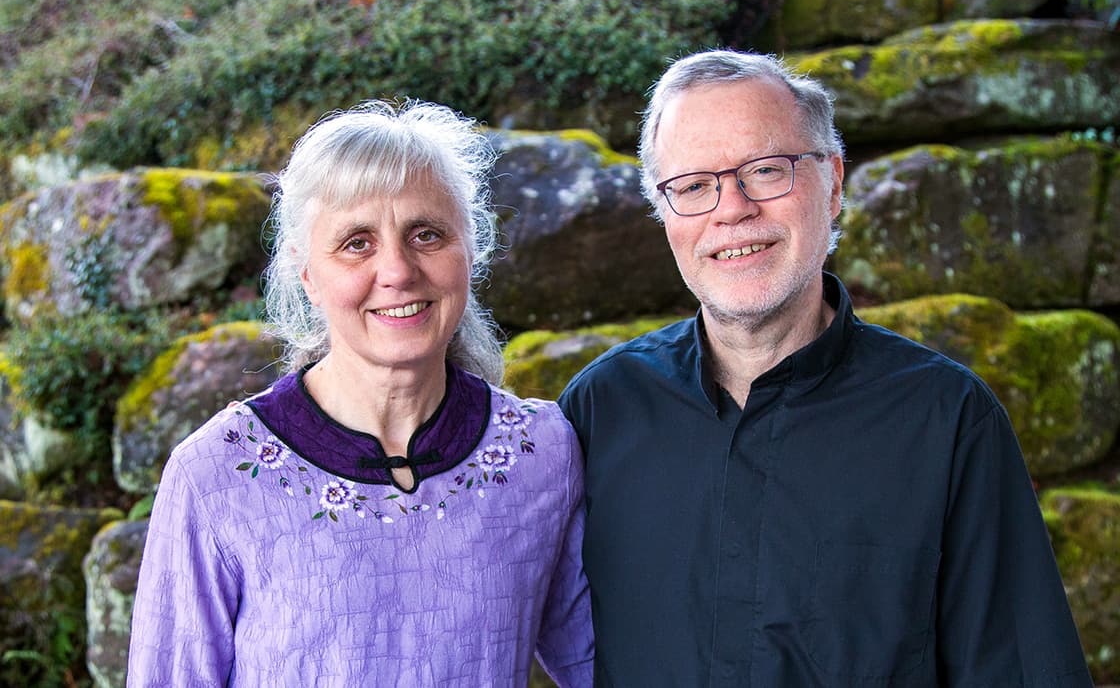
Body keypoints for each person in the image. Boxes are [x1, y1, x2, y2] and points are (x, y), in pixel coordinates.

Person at [558, 49, 1092, 687]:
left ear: (834, 183)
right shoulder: (600, 408)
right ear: (664, 213)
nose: (732, 209)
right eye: (694, 185)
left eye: (766, 169)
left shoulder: (947, 421)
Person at [128, 100, 593, 686]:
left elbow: (605, 665)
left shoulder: (543, 454)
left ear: (469, 252)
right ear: (306, 274)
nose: (397, 270)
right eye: (356, 243)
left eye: (426, 234)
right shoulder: (215, 475)